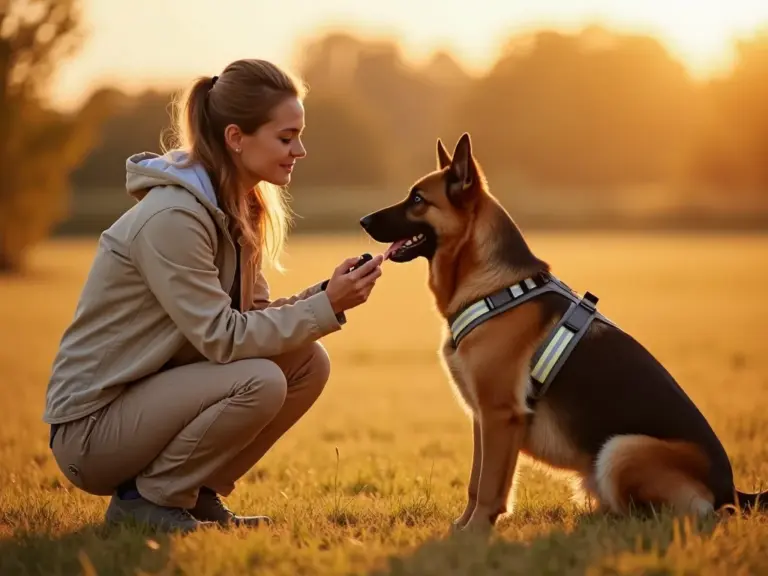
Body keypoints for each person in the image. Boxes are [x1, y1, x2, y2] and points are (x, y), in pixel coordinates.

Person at [42, 58, 384, 533]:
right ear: (236, 138)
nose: (299, 150)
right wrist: (326, 307)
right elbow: (223, 339)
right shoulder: (174, 218)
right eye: (286, 137)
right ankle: (145, 503)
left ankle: (195, 494)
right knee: (260, 380)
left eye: (298, 136)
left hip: (151, 400)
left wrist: (327, 294)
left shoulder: (238, 209)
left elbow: (254, 319)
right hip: (93, 431)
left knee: (308, 362)